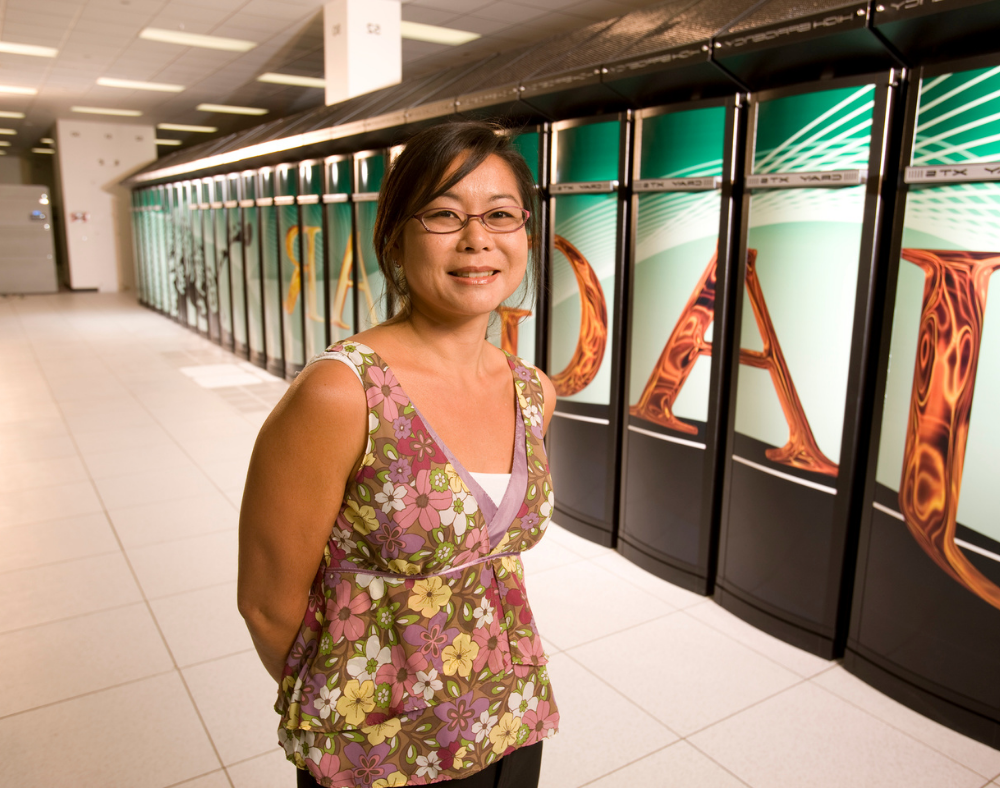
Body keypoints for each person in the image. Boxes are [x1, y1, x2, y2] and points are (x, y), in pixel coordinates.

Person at [238, 120, 559, 788]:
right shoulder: (342, 392)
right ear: (393, 237)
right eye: (444, 214)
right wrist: (344, 706)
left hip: (510, 717)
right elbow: (267, 605)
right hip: (379, 749)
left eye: (500, 214)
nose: (477, 239)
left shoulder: (531, 390)